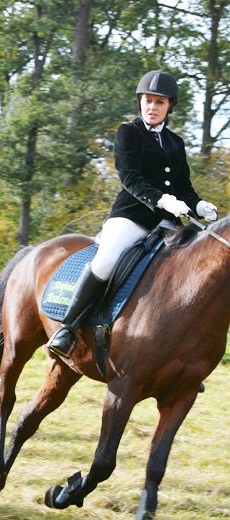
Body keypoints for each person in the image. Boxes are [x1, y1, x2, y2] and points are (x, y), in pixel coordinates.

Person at [46, 70, 218, 359]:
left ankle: (181, 353)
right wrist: (162, 199)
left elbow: (184, 187)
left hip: (168, 224)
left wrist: (198, 204)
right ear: (140, 102)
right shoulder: (128, 133)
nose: (152, 107)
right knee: (106, 259)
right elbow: (130, 178)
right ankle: (69, 327)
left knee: (192, 268)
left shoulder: (176, 143)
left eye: (159, 102)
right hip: (131, 216)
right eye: (148, 101)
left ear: (169, 106)